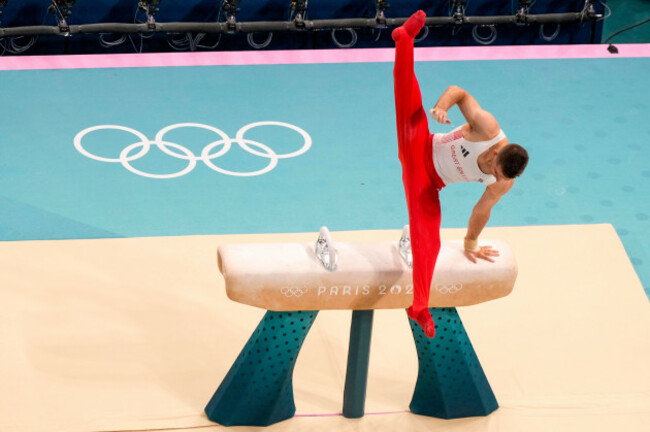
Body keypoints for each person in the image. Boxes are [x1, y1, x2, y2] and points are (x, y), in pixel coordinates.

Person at [392, 10, 529, 338]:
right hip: (419, 145)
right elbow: (458, 91)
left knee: (429, 240)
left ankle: (419, 307)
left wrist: (471, 242)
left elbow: (482, 209)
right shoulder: (488, 129)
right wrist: (441, 108)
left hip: (427, 183)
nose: (494, 178)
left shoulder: (503, 181)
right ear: (497, 152)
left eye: (499, 178)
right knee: (408, 99)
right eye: (495, 171)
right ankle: (404, 40)